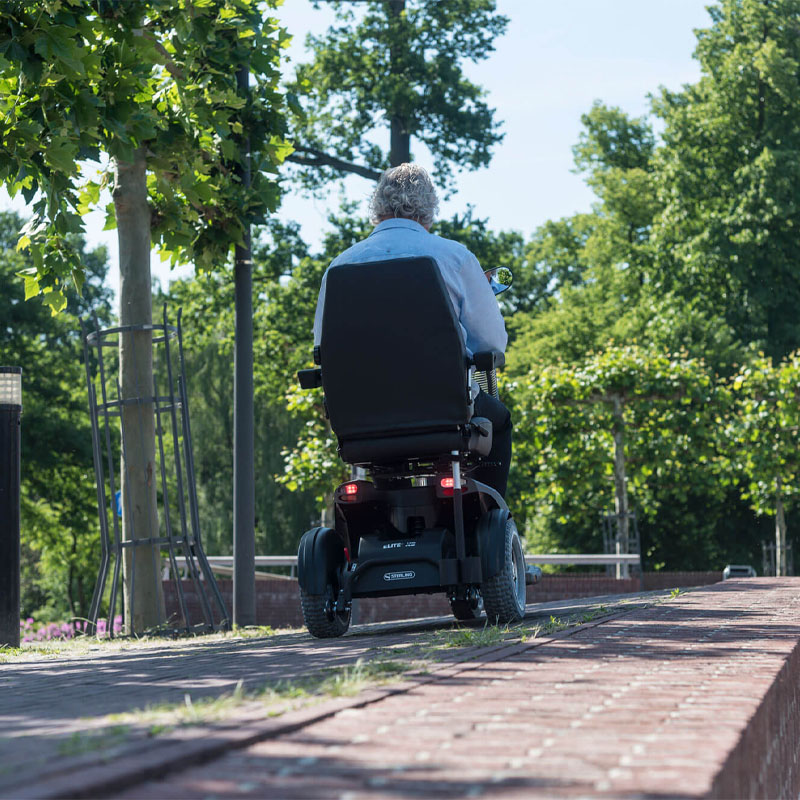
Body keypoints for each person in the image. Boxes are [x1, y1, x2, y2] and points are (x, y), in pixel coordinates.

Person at [313, 163, 513, 497]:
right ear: (429, 208)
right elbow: (492, 342)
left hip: (362, 420)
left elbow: (323, 347)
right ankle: (489, 513)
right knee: (499, 422)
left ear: (376, 208)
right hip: (446, 413)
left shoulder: (339, 267)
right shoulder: (455, 258)